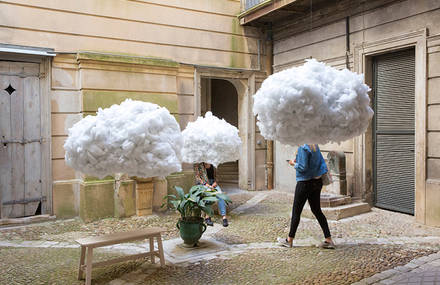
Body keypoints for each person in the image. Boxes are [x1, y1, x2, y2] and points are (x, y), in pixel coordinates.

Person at [277, 144, 335, 249]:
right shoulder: (314, 145)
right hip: (317, 182)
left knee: (296, 211)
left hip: (304, 183)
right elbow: (319, 163)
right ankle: (328, 239)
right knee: (317, 210)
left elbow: (303, 167)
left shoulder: (303, 147)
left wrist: (293, 163)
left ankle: (289, 240)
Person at [194, 162, 229, 227]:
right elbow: (197, 177)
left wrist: (215, 183)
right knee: (209, 195)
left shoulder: (214, 164)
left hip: (213, 184)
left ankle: (224, 217)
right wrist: (206, 184)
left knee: (220, 195)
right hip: (204, 184)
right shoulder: (199, 165)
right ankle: (207, 217)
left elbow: (218, 176)